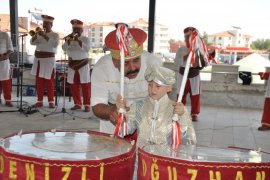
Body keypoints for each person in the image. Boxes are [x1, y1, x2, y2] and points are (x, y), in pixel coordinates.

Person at [91, 23, 162, 134]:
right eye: (126, 63)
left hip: (147, 117)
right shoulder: (101, 68)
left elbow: (164, 97)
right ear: (114, 61)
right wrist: (113, 110)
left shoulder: (153, 64)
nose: (133, 68)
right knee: (113, 151)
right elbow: (97, 106)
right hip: (113, 119)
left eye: (136, 60)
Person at [116, 65, 197, 147]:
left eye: (158, 86)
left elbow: (188, 139)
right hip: (141, 155)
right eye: (150, 85)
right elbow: (124, 130)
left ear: (169, 88)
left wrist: (182, 115)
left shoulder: (176, 109)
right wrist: (121, 111)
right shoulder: (138, 106)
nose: (152, 90)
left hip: (164, 156)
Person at [174, 27, 206, 122]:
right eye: (186, 38)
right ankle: (179, 112)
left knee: (195, 95)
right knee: (180, 95)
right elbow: (176, 63)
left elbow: (204, 63)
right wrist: (185, 57)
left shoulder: (200, 50)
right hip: (182, 75)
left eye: (190, 38)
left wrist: (200, 61)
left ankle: (194, 113)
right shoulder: (181, 50)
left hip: (194, 75)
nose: (188, 40)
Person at [30, 15, 59, 108]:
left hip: (48, 60)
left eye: (47, 24)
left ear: (51, 25)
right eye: (44, 23)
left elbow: (55, 44)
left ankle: (51, 101)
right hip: (38, 59)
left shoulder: (55, 35)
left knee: (49, 81)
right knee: (39, 81)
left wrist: (45, 36)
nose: (45, 25)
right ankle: (39, 101)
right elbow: (32, 42)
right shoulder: (39, 33)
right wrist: (35, 36)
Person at [62, 19, 91, 112]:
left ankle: (87, 104)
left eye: (78, 29)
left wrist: (78, 40)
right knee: (74, 85)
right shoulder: (68, 38)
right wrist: (69, 41)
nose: (76, 31)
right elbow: (64, 48)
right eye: (74, 29)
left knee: (85, 85)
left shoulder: (85, 39)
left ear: (82, 30)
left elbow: (87, 49)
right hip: (72, 64)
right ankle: (77, 104)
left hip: (83, 63)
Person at [0, 31, 14, 107]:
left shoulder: (5, 35)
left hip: (3, 60)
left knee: (6, 81)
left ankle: (8, 100)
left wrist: (6, 56)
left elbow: (10, 48)